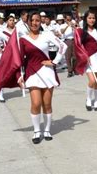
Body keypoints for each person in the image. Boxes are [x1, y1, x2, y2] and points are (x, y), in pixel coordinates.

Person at [17, 12, 67, 144]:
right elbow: (19, 59)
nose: (34, 23)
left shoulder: (47, 35)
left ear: (41, 21)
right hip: (32, 73)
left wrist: (55, 61)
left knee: (47, 104)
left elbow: (63, 46)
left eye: (37, 20)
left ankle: (47, 130)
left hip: (47, 72)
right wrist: (20, 75)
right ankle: (37, 131)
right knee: (36, 103)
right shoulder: (22, 39)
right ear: (28, 22)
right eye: (32, 20)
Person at [76, 10, 97, 111]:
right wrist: (84, 55)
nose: (91, 20)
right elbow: (79, 46)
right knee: (92, 81)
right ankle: (89, 99)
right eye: (89, 18)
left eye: (93, 18)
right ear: (86, 19)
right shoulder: (81, 31)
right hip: (88, 59)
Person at [60, 13, 77, 77]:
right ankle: (70, 71)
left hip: (74, 40)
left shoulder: (73, 24)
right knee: (68, 57)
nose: (69, 20)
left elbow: (78, 30)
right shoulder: (62, 25)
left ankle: (74, 69)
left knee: (75, 57)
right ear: (65, 19)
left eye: (70, 19)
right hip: (67, 41)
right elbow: (62, 32)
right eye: (67, 19)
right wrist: (67, 26)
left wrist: (74, 26)